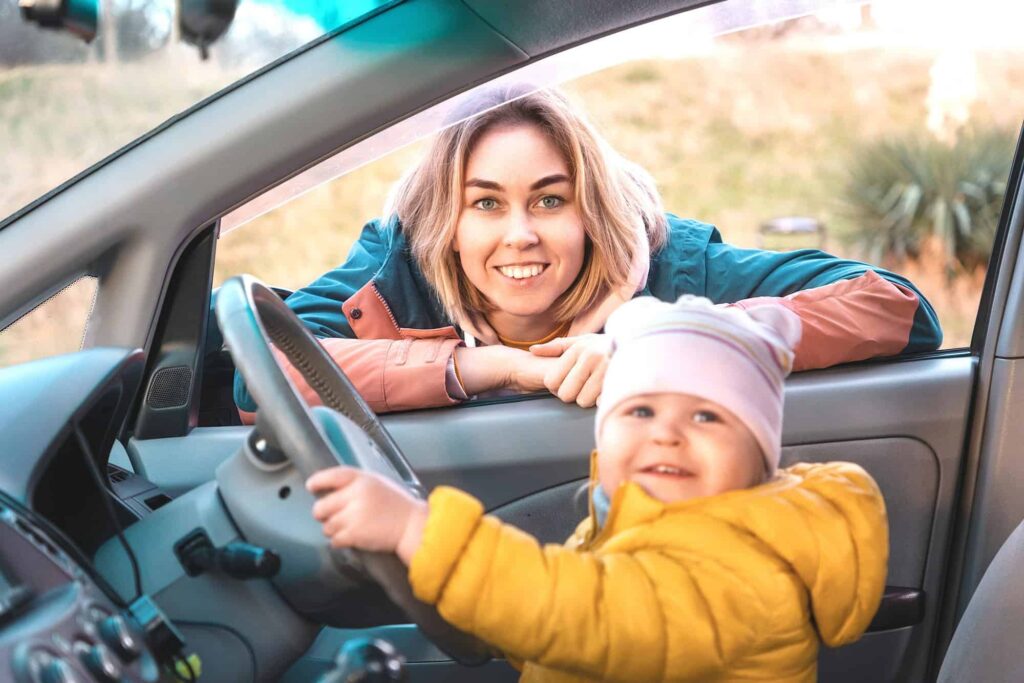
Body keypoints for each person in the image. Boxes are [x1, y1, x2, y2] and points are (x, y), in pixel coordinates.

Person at [234, 85, 941, 416]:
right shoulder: (398, 268)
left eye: (550, 199)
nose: (520, 234)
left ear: (592, 210)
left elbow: (895, 308)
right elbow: (258, 374)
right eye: (486, 203)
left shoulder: (670, 265)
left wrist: (649, 342)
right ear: (447, 220)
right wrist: (491, 368)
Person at [306, 295, 888, 682]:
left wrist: (416, 529)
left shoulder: (745, 572)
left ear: (761, 455)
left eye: (707, 418)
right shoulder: (636, 520)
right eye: (638, 411)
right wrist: (487, 613)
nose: (667, 434)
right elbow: (555, 630)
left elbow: (581, 611)